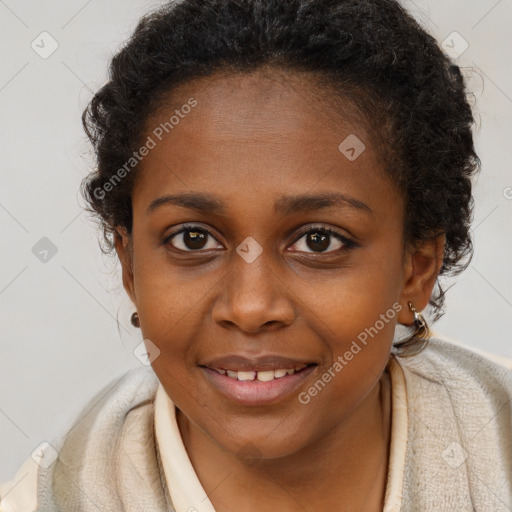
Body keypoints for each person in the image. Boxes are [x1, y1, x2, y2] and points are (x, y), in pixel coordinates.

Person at [1, 0, 511, 510]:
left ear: (415, 269)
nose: (249, 308)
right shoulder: (53, 497)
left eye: (319, 241)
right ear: (130, 267)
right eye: (193, 239)